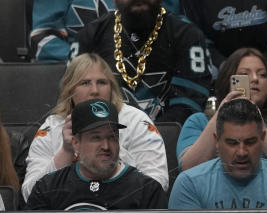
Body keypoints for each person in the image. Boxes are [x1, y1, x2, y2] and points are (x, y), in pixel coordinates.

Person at [22, 53, 168, 202]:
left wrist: (108, 150)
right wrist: (66, 151)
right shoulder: (52, 127)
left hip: (123, 210)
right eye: (85, 83)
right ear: (70, 90)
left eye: (102, 82)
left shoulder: (136, 120)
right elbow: (30, 194)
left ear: (112, 88)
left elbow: (157, 184)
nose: (95, 90)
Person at [77, 0, 213, 124]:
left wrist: (148, 135)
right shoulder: (91, 35)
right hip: (104, 135)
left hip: (166, 140)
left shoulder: (187, 35)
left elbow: (188, 106)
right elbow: (73, 99)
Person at [177, 48, 267, 173]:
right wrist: (222, 112)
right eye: (244, 75)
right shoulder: (199, 121)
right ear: (228, 81)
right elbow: (187, 168)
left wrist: (255, 118)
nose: (255, 79)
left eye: (262, 75)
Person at [25, 99, 167, 211]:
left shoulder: (147, 190)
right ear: (75, 143)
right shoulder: (47, 188)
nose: (106, 146)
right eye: (96, 138)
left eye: (112, 137)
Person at [168, 98, 267, 209]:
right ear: (217, 141)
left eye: (250, 142)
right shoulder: (189, 184)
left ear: (263, 139)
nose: (241, 152)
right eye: (232, 143)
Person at [30, 0, 181, 61]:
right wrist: (89, 62)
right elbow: (43, 40)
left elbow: (172, 31)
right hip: (80, 76)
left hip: (146, 72)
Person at [180, 0, 267, 67]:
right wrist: (224, 64)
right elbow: (194, 37)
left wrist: (259, 64)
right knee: (203, 70)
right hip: (219, 65)